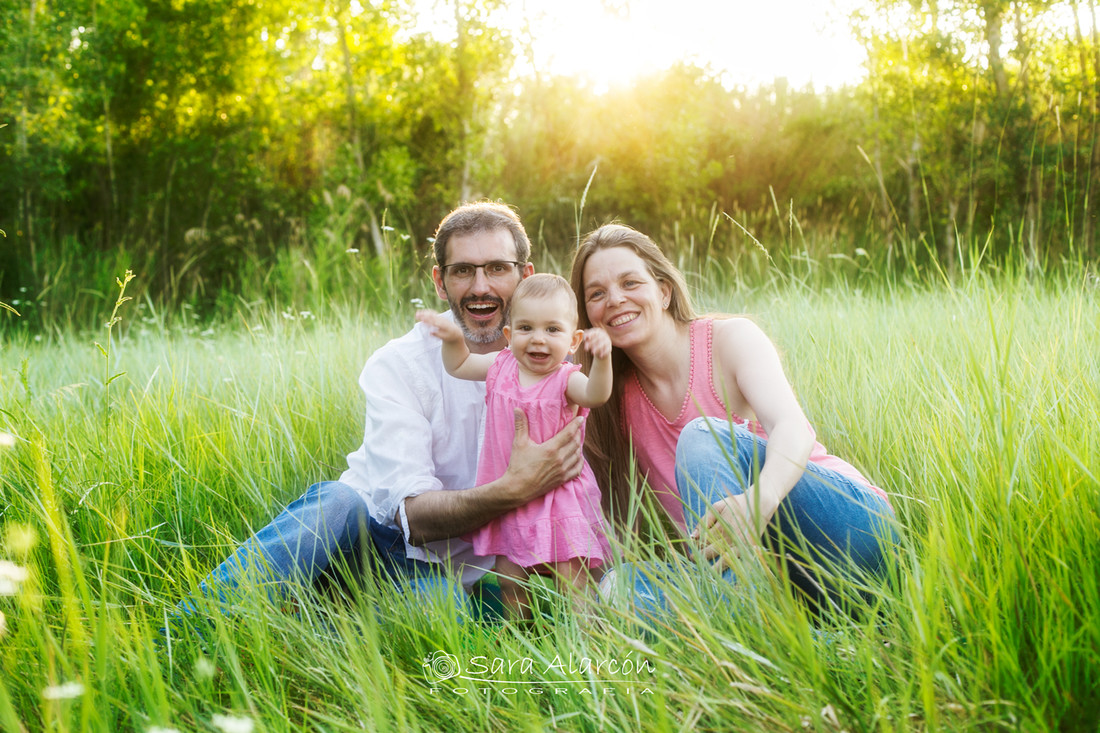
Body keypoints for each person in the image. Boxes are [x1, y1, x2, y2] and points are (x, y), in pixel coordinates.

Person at [176, 202, 585, 620]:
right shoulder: (400, 364)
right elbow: (413, 518)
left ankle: (304, 620)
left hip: (445, 575)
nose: (480, 286)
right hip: (369, 538)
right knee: (336, 501)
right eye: (462, 270)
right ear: (440, 282)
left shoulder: (564, 377)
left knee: (447, 610)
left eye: (498, 268)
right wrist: (514, 489)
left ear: (525, 277)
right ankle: (187, 630)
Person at [569, 224, 898, 617]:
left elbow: (792, 427)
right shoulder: (607, 399)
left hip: (846, 531)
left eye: (630, 282)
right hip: (771, 576)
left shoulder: (730, 339)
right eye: (597, 294)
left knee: (702, 435)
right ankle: (809, 641)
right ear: (587, 314)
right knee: (618, 589)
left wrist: (759, 501)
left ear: (663, 290)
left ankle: (741, 624)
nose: (615, 300)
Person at [417, 274, 614, 618]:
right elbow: (459, 365)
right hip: (509, 492)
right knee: (510, 577)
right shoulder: (500, 365)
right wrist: (452, 339)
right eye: (526, 328)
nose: (538, 339)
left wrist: (603, 360)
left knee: (572, 579)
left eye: (552, 330)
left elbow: (596, 395)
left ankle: (586, 639)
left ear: (573, 340)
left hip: (559, 495)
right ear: (509, 336)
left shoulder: (567, 379)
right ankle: (518, 631)